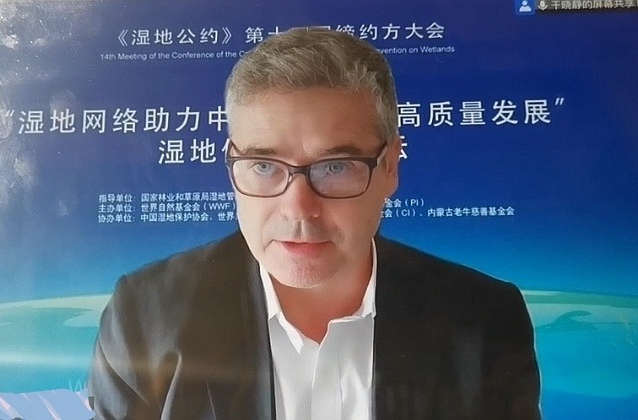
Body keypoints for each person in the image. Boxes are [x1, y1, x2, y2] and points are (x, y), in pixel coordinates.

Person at [88, 27, 541, 419]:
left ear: (389, 167)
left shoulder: (484, 319)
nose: (299, 209)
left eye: (336, 167)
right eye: (264, 166)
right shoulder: (145, 316)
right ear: (231, 164)